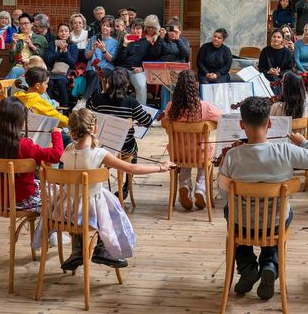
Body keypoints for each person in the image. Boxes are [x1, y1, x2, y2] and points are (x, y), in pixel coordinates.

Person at [217, 97, 308, 300]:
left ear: (242, 125)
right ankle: (270, 264)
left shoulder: (232, 156)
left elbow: (224, 193)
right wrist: (303, 142)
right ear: (269, 123)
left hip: (242, 224)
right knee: (280, 214)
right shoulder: (285, 151)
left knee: (230, 210)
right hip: (274, 224)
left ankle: (247, 266)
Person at [57, 108, 176, 272]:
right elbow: (131, 168)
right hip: (89, 211)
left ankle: (79, 248)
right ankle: (103, 248)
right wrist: (160, 167)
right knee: (111, 207)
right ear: (95, 129)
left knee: (90, 201)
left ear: (71, 131)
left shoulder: (67, 150)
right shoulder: (99, 153)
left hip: (67, 210)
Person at [0, 97, 64, 215]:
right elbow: (57, 155)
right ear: (19, 120)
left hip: (1, 199)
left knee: (54, 190)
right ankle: (46, 232)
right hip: (23, 200)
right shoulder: (24, 145)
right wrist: (56, 134)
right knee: (62, 196)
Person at [87, 67, 153, 198]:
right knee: (133, 147)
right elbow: (147, 121)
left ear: (109, 82)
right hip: (124, 150)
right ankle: (126, 188)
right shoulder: (131, 102)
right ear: (126, 84)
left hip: (102, 147)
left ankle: (97, 186)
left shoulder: (97, 99)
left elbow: (88, 118)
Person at [163, 70, 222, 210]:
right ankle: (200, 189)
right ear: (196, 85)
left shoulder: (171, 107)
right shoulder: (205, 107)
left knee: (185, 160)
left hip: (178, 154)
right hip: (200, 152)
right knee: (205, 157)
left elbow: (165, 124)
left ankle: (184, 185)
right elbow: (222, 119)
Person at [114, 15, 158, 105]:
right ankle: (118, 107)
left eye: (138, 28)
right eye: (133, 28)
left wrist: (142, 68)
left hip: (137, 71)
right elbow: (118, 61)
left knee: (141, 85)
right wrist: (124, 45)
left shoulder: (147, 43)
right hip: (123, 70)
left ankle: (140, 110)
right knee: (117, 81)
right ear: (130, 29)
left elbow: (150, 60)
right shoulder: (125, 40)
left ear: (142, 30)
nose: (135, 31)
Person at [78, 16, 119, 102]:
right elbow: (86, 56)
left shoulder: (115, 43)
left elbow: (111, 59)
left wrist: (104, 50)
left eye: (108, 26)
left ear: (112, 29)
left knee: (98, 75)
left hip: (106, 68)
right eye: (103, 25)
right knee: (96, 79)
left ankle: (84, 100)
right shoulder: (93, 39)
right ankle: (97, 105)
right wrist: (93, 49)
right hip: (92, 68)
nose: (105, 27)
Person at [45, 22, 79, 107]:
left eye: (66, 31)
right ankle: (48, 105)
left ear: (69, 34)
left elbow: (72, 63)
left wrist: (66, 52)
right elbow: (48, 60)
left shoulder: (73, 46)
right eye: (61, 31)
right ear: (58, 33)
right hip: (52, 71)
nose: (63, 33)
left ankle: (65, 106)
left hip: (67, 72)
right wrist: (60, 52)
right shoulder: (52, 45)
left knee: (61, 81)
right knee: (50, 82)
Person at [8, 12, 50, 80]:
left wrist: (32, 45)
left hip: (34, 67)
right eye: (21, 24)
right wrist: (13, 44)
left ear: (31, 24)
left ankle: (4, 89)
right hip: (19, 66)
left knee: (14, 71)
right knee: (15, 71)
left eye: (25, 23)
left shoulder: (41, 38)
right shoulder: (16, 37)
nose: (23, 26)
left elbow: (44, 57)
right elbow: (11, 59)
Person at [257, 29, 294, 93]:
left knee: (276, 81)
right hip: (267, 76)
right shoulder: (265, 51)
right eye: (274, 37)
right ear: (271, 38)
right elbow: (261, 67)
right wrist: (268, 71)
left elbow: (289, 69)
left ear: (282, 39)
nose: (276, 39)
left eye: (278, 37)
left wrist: (279, 73)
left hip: (282, 78)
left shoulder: (287, 52)